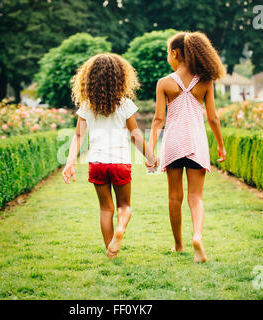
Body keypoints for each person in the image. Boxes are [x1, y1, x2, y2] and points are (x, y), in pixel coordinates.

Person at [62, 53, 158, 258]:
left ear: (90, 79)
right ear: (120, 77)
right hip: (120, 163)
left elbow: (78, 136)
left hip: (97, 163)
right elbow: (135, 135)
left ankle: (110, 250)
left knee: (106, 209)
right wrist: (150, 157)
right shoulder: (125, 105)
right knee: (125, 206)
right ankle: (121, 228)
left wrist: (70, 162)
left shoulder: (87, 105)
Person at [147, 31, 227, 263]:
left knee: (174, 197)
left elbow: (158, 120)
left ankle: (178, 245)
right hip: (196, 143)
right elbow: (213, 118)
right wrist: (220, 145)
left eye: (168, 54)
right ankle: (198, 236)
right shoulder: (205, 81)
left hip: (172, 143)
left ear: (175, 53)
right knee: (196, 196)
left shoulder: (164, 83)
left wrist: (151, 150)